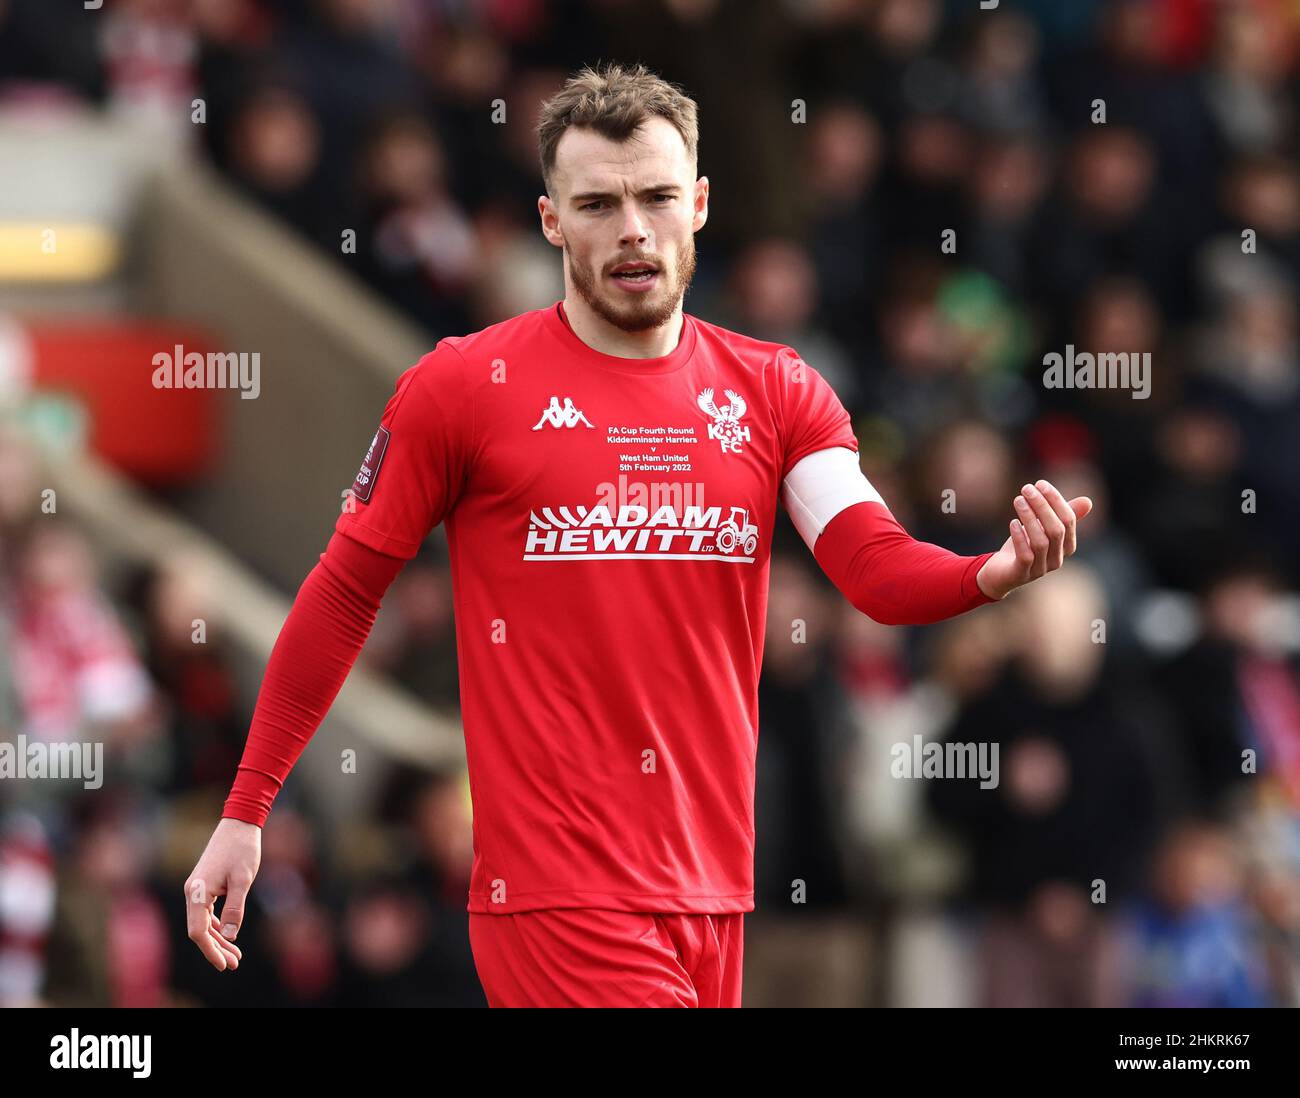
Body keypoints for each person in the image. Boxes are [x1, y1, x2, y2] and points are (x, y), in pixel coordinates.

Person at [184, 62, 1091, 1008]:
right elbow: (343, 592)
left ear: (697, 204)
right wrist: (247, 809)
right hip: (556, 894)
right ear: (549, 221)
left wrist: (987, 572)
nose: (631, 229)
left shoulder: (776, 391)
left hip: (712, 889)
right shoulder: (463, 389)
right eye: (597, 204)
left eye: (657, 197)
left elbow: (870, 563)